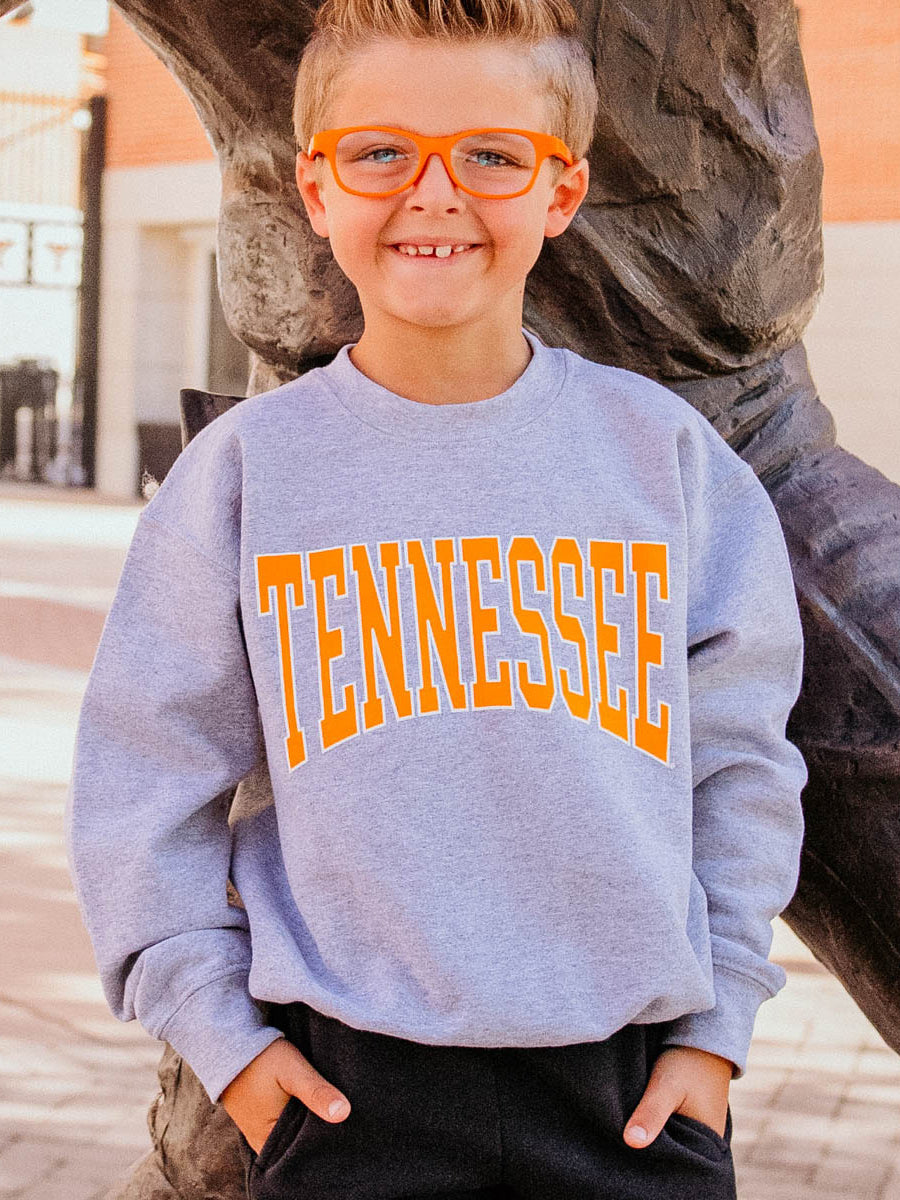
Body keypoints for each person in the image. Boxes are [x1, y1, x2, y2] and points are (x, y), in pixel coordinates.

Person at [65, 0, 808, 1195]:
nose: (435, 192)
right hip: (346, 1098)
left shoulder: (664, 461)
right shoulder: (247, 477)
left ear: (560, 193)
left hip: (627, 1099)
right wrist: (226, 1047)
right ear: (316, 188)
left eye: (491, 155)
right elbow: (145, 785)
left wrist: (716, 1033)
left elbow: (742, 768)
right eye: (381, 152)